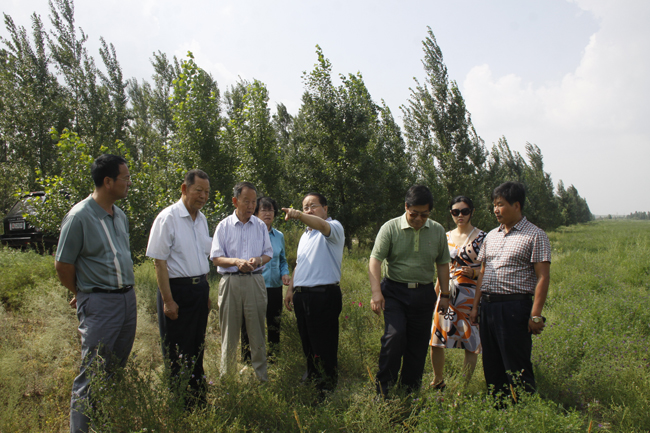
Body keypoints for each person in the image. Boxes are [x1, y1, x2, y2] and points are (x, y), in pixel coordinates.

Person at [55, 154, 137, 433]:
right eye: (125, 178)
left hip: (126, 300)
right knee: (92, 373)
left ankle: (102, 423)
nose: (128, 183)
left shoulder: (120, 216)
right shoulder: (79, 217)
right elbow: (63, 264)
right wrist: (82, 292)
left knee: (114, 369)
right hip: (100, 303)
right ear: (107, 181)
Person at [470, 181, 551, 398]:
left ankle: (525, 410)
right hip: (488, 307)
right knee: (492, 364)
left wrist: (535, 314)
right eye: (494, 205)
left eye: (500, 204)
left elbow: (542, 276)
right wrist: (476, 306)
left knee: (517, 364)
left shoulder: (535, 235)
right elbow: (483, 272)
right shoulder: (491, 236)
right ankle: (500, 409)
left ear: (516, 205)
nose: (496, 209)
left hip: (514, 307)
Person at [369, 185, 451, 398]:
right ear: (406, 207)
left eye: (424, 215)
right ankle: (383, 388)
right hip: (395, 291)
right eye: (413, 214)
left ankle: (409, 390)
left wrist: (445, 294)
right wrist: (376, 293)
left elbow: (443, 264)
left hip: (424, 294)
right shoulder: (391, 228)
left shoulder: (437, 230)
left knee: (417, 343)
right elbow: (375, 260)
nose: (418, 219)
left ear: (430, 211)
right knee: (394, 336)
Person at [145, 169, 212, 406]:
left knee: (196, 344)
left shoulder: (201, 219)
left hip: (199, 289)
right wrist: (168, 300)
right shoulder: (168, 218)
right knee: (177, 350)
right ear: (184, 189)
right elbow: (159, 262)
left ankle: (198, 395)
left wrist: (206, 290)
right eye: (198, 191)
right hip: (177, 292)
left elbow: (204, 256)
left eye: (206, 192)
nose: (203, 196)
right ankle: (181, 401)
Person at [210, 182, 272, 381]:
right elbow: (216, 258)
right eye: (246, 201)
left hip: (255, 281)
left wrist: (258, 260)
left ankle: (261, 377)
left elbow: (268, 253)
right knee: (229, 333)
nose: (251, 206)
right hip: (231, 282)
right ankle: (227, 378)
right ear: (235, 201)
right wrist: (236, 262)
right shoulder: (224, 226)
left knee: (257, 332)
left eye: (254, 202)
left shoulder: (260, 226)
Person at [283, 193, 344, 395]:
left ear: (325, 208)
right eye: (305, 207)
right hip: (303, 295)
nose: (308, 210)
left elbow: (323, 226)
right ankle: (312, 375)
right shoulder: (305, 236)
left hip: (323, 295)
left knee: (324, 343)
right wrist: (291, 289)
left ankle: (327, 385)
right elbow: (300, 264)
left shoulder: (333, 227)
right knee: (307, 340)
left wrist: (299, 215)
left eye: (313, 206)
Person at [429, 196, 485, 390]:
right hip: (446, 295)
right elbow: (441, 268)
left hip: (470, 297)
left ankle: (463, 386)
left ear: (472, 212)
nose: (460, 215)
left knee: (470, 342)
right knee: (436, 340)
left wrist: (475, 272)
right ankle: (438, 380)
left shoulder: (482, 237)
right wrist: (433, 296)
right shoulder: (445, 236)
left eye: (464, 211)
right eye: (455, 212)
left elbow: (488, 270)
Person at [241, 197, 291, 363]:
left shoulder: (279, 236)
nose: (268, 213)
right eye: (264, 210)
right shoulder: (249, 233)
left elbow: (282, 259)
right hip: (254, 285)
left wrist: (285, 273)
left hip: (274, 286)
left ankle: (274, 358)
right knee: (250, 323)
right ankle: (248, 358)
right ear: (256, 213)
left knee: (274, 323)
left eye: (270, 210)